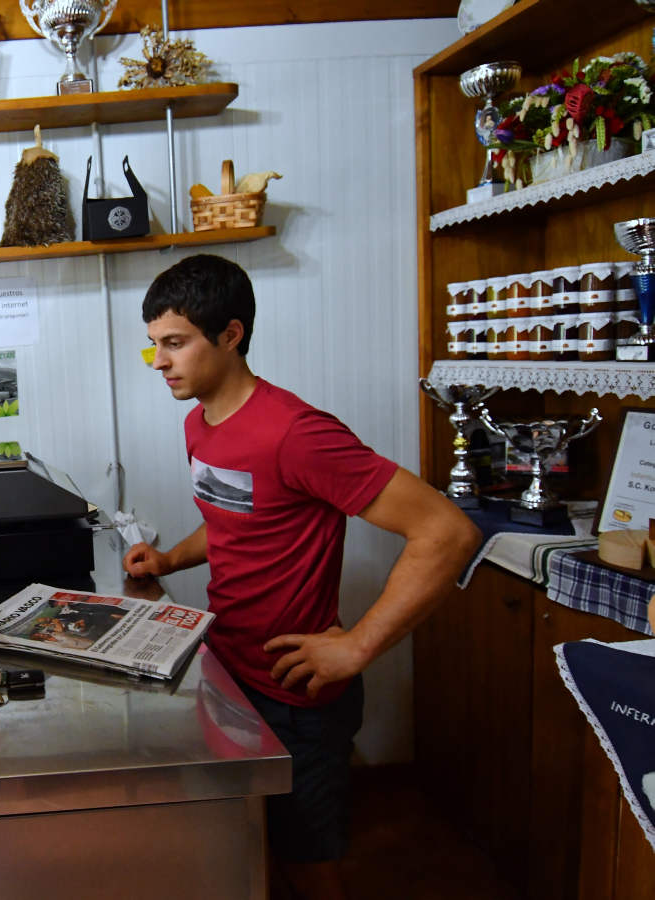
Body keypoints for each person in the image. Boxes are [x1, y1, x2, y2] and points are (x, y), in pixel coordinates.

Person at [123, 255, 480, 900]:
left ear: (231, 335)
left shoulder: (297, 433)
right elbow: (235, 518)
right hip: (230, 669)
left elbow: (447, 532)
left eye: (175, 344)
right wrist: (170, 559)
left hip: (298, 694)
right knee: (255, 848)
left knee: (310, 862)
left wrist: (358, 643)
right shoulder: (198, 423)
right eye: (155, 346)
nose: (161, 363)